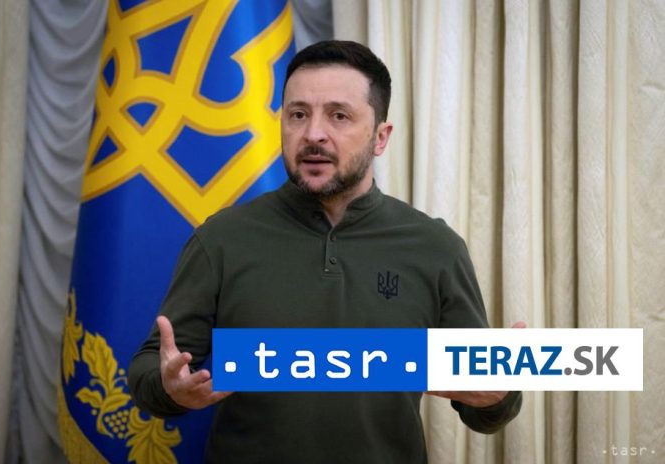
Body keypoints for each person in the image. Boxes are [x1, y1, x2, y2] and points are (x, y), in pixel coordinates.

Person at [128, 40, 522, 464]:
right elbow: (151, 367)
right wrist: (169, 388)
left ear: (380, 137)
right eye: (298, 114)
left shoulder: (436, 248)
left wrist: (498, 395)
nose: (313, 134)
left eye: (339, 115)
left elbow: (486, 407)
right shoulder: (221, 239)